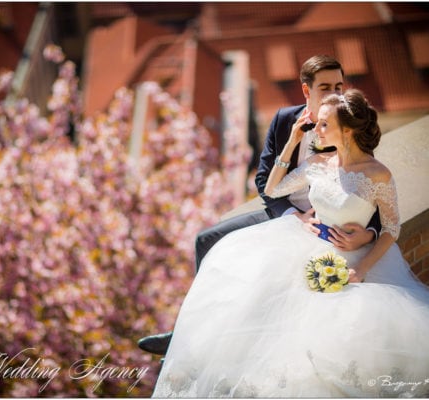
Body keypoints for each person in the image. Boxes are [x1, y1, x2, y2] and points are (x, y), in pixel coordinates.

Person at [151, 89, 429, 397]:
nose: (316, 129)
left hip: (356, 261)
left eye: (324, 124)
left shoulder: (377, 175)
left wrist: (360, 269)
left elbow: (391, 227)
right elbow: (274, 188)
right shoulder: (318, 163)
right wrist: (292, 140)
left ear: (347, 131)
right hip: (309, 247)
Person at [138, 55, 381, 355]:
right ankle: (185, 332)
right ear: (307, 91)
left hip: (327, 224)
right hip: (284, 212)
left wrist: (369, 232)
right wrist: (293, 215)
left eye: (339, 87)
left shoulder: (349, 129)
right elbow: (264, 181)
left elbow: (374, 192)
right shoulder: (283, 120)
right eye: (325, 88)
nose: (334, 94)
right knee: (206, 240)